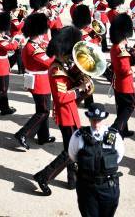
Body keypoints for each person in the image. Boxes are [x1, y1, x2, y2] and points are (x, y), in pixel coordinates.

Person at [33, 26, 93, 196]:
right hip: (65, 115)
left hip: (70, 112)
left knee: (72, 150)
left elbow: (71, 81)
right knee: (70, 152)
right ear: (62, 52)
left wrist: (81, 78)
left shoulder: (62, 66)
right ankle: (43, 176)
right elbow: (61, 97)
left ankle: (72, 180)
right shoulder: (56, 70)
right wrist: (79, 89)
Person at [68, 103, 124, 217]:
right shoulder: (78, 136)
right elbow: (73, 156)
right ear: (89, 118)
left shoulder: (115, 136)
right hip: (87, 187)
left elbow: (118, 157)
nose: (96, 123)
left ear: (104, 119)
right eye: (93, 120)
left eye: (99, 120)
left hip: (108, 186)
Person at [15, 13, 55, 150]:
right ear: (37, 32)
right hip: (40, 82)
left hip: (40, 80)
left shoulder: (34, 44)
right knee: (43, 112)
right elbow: (49, 62)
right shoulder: (32, 48)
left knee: (42, 109)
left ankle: (44, 137)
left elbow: (46, 44)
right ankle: (23, 133)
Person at [110, 14, 135, 138]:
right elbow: (125, 70)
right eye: (126, 37)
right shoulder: (121, 51)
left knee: (122, 107)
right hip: (125, 84)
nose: (127, 40)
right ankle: (115, 128)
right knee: (130, 106)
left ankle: (123, 130)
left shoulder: (114, 47)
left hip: (118, 83)